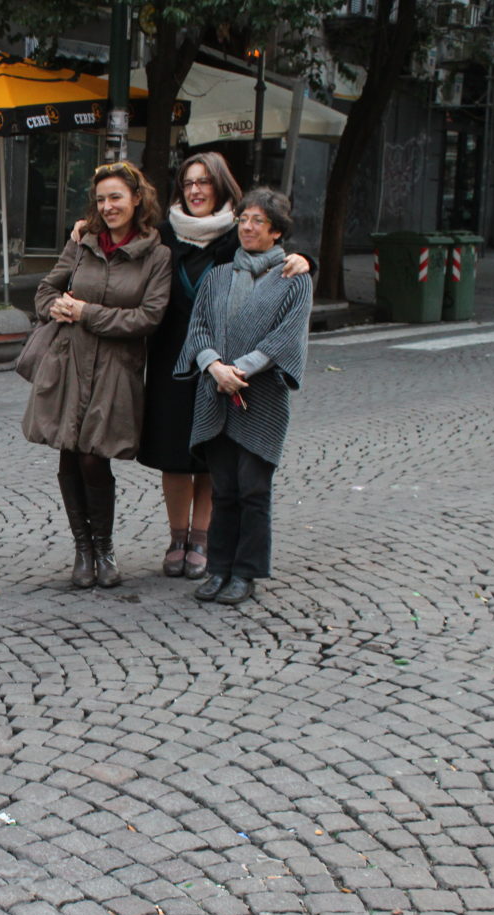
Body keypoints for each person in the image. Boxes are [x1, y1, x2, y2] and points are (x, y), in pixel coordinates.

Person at [73, 153, 309, 581]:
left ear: (221, 187)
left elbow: (274, 252)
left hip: (226, 362)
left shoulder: (237, 238)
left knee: (213, 452)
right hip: (169, 358)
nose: (196, 191)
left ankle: (202, 538)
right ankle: (177, 536)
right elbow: (118, 235)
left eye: (204, 182)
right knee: (174, 452)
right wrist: (84, 228)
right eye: (187, 183)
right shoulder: (164, 235)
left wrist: (303, 259)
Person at [23, 161, 172, 589]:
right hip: (70, 361)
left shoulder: (156, 255)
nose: (108, 206)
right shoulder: (82, 242)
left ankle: (104, 547)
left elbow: (148, 317)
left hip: (115, 368)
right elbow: (45, 290)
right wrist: (56, 306)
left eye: (116, 198)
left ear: (136, 199)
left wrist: (87, 313)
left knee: (93, 455)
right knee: (69, 450)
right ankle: (83, 550)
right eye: (102, 199)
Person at [175, 188, 313, 605]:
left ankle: (246, 573)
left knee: (253, 490)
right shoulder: (217, 276)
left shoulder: (294, 279)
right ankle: (218, 569)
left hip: (261, 398)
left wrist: (243, 369)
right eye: (244, 220)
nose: (248, 228)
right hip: (215, 392)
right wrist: (215, 366)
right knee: (224, 489)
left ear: (276, 232)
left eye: (258, 221)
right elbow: (197, 328)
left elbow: (287, 337)